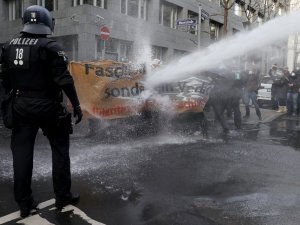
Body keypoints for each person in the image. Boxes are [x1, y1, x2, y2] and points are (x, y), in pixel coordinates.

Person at [0, 5, 83, 218]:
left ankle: (24, 204)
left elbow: (5, 80)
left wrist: (9, 103)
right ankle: (62, 196)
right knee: (60, 150)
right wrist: (76, 104)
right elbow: (64, 79)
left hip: (20, 106)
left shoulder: (8, 46)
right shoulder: (51, 46)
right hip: (48, 107)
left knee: (21, 155)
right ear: (47, 22)